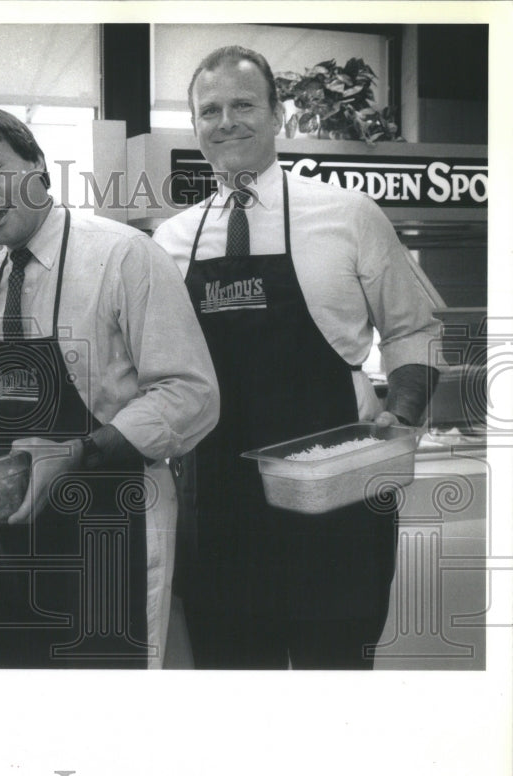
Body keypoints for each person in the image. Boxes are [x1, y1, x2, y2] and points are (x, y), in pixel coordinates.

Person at [0, 106, 219, 669]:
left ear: (37, 164)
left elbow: (192, 395)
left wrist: (81, 451)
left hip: (113, 532)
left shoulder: (123, 256)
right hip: (15, 543)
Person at [153, 46, 442, 669]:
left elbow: (411, 327)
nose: (226, 120)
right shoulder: (170, 239)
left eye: (243, 105)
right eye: (210, 109)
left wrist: (408, 410)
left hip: (336, 504)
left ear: (278, 116)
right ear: (195, 125)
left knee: (332, 696)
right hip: (221, 516)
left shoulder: (350, 216)